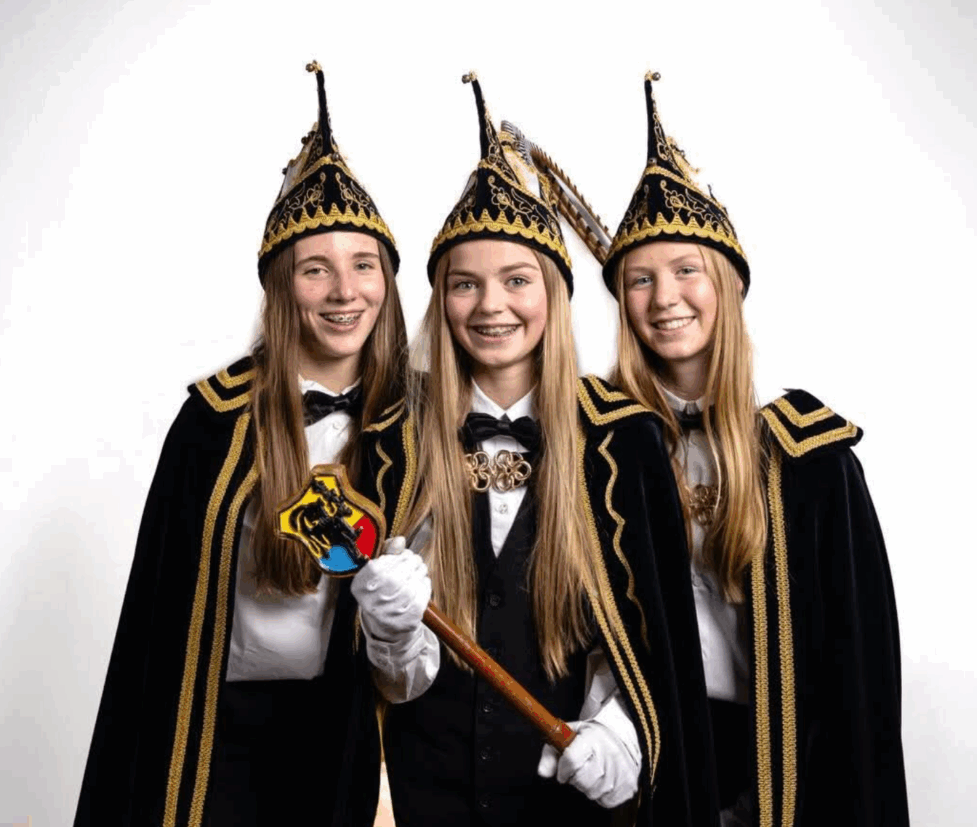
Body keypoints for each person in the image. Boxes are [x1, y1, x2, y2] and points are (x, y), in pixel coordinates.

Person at [350, 73, 717, 827]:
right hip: (424, 804)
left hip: (568, 808)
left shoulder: (623, 439)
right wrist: (389, 633)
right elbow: (385, 685)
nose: (491, 306)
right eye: (464, 285)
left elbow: (652, 636)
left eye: (516, 280)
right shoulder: (394, 438)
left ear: (552, 292)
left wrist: (620, 731)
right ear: (440, 299)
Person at [74, 62, 407, 827]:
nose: (344, 290)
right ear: (281, 286)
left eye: (363, 265)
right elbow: (156, 619)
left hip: (347, 735)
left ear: (386, 279)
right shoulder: (214, 419)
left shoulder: (414, 421)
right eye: (316, 269)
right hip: (214, 732)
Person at [603, 72, 909, 827]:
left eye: (687, 270)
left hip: (785, 768)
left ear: (729, 286)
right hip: (653, 760)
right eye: (640, 279)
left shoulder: (812, 459)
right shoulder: (606, 451)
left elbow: (861, 670)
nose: (664, 298)